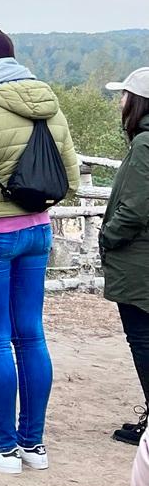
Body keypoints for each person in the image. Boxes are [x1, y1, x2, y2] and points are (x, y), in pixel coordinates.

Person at [0, 28, 79, 475]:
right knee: (30, 334)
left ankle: (2, 446)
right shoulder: (51, 107)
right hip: (38, 231)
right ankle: (33, 444)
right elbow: (73, 181)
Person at [100, 67, 149, 446]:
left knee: (143, 339)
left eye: (124, 95)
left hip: (140, 261)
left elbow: (133, 209)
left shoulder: (145, 145)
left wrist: (108, 238)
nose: (120, 103)